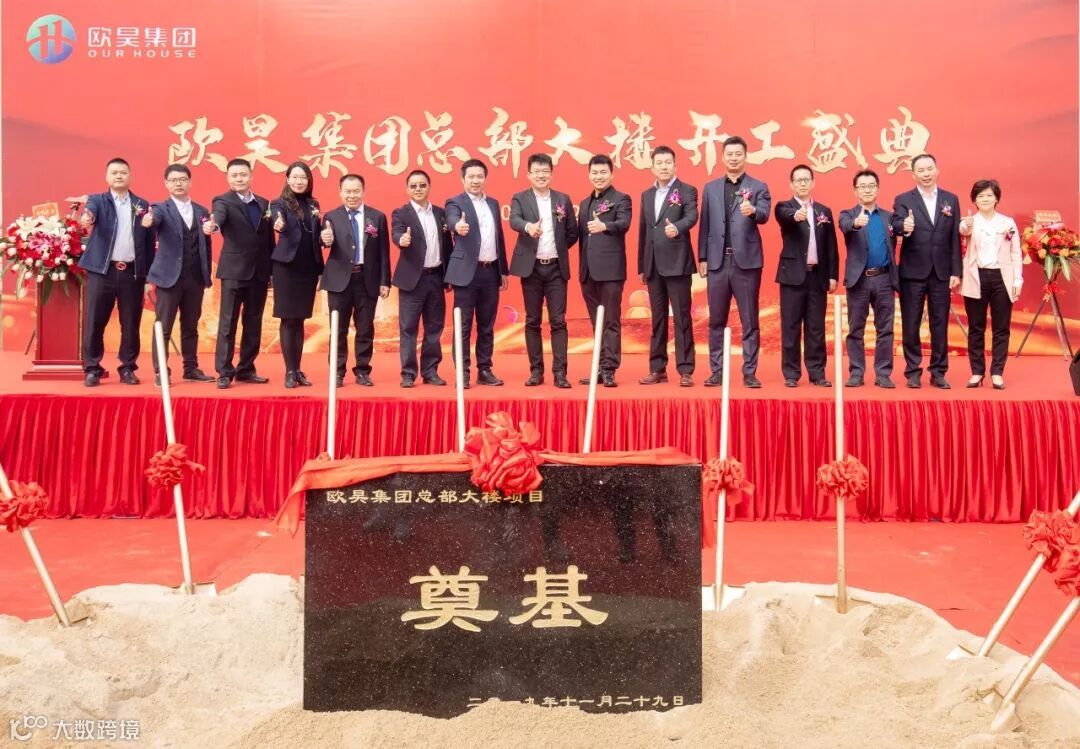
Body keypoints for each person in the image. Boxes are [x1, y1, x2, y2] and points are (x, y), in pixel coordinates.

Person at [697, 136, 771, 388]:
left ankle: (749, 372)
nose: (734, 158)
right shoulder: (711, 188)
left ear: (745, 156)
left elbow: (764, 215)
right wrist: (703, 257)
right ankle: (716, 371)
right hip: (717, 262)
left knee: (749, 320)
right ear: (723, 157)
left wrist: (754, 211)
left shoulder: (758, 186)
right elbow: (705, 224)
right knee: (716, 320)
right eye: (729, 154)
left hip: (746, 264)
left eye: (738, 154)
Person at [78, 157, 155, 387]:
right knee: (95, 322)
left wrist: (148, 275)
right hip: (102, 272)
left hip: (131, 273)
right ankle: (92, 368)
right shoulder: (97, 201)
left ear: (130, 176)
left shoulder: (141, 204)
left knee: (130, 323)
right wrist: (87, 218)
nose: (119, 176)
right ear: (107, 177)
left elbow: (149, 242)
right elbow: (89, 214)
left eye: (123, 172)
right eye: (114, 172)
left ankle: (128, 367)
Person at [890, 153, 961, 389]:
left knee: (939, 323)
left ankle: (938, 371)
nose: (926, 174)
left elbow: (954, 238)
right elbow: (896, 224)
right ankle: (913, 371)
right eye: (921, 170)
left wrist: (956, 271)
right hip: (912, 272)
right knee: (911, 323)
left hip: (941, 272)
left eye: (929, 168)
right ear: (913, 175)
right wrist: (904, 226)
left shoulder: (950, 199)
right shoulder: (903, 199)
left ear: (937, 170)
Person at [509, 153, 579, 388]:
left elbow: (572, 232)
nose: (541, 175)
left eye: (545, 171)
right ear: (529, 174)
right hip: (532, 269)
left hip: (556, 268)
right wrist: (528, 227)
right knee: (532, 321)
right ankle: (536, 371)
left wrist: (558, 248)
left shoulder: (562, 199)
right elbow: (514, 220)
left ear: (551, 173)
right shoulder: (520, 198)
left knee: (558, 321)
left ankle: (560, 372)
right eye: (536, 171)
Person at [142, 164, 213, 385]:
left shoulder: (201, 211)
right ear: (166, 183)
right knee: (163, 326)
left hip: (195, 278)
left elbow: (207, 245)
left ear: (190, 182)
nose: (178, 183)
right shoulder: (160, 208)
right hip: (169, 278)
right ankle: (161, 372)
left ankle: (191, 368)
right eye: (173, 180)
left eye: (182, 179)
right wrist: (148, 220)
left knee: (191, 326)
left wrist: (206, 274)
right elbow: (154, 219)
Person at [444, 159, 509, 388]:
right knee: (462, 325)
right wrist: (457, 226)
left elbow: (499, 237)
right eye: (471, 176)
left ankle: (485, 369)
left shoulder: (493, 203)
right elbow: (452, 219)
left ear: (485, 178)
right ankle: (462, 372)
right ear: (463, 179)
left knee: (486, 325)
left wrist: (503, 270)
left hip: (490, 272)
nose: (475, 180)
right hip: (466, 274)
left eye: (479, 176)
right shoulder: (455, 202)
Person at [637, 146, 698, 387]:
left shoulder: (687, 190)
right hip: (653, 266)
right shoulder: (646, 195)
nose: (664, 166)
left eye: (668, 162)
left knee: (682, 318)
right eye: (659, 163)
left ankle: (685, 369)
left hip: (678, 263)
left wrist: (678, 227)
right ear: (652, 167)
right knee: (658, 319)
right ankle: (657, 368)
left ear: (675, 165)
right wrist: (642, 265)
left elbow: (692, 216)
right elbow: (644, 230)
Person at [321, 174, 390, 387]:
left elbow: (383, 252)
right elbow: (325, 241)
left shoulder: (377, 217)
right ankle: (337, 372)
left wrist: (385, 281)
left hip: (367, 279)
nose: (352, 195)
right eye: (347, 191)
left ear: (363, 191)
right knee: (338, 328)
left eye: (356, 191)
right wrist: (325, 239)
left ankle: (362, 371)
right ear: (340, 192)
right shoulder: (331, 217)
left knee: (365, 328)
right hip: (339, 281)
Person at [211, 158, 274, 389]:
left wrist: (271, 271)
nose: (239, 179)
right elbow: (218, 218)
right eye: (234, 175)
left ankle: (246, 369)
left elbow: (269, 239)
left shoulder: (263, 203)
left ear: (251, 176)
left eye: (243, 175)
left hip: (259, 272)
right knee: (228, 322)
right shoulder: (222, 201)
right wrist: (213, 226)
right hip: (234, 271)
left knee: (253, 322)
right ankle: (224, 371)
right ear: (228, 177)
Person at [773, 164, 839, 387]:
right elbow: (785, 218)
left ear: (813, 183)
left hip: (817, 277)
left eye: (806, 180)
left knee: (816, 327)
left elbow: (831, 246)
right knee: (791, 327)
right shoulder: (784, 207)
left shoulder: (823, 211)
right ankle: (791, 374)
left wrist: (832, 275)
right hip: (792, 277)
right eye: (798, 180)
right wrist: (796, 215)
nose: (802, 183)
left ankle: (817, 372)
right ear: (791, 184)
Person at [959, 179, 1023, 389]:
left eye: (989, 195)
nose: (985, 199)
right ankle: (977, 372)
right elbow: (963, 230)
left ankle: (997, 372)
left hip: (1001, 278)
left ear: (996, 198)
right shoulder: (969, 222)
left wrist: (1017, 278)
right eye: (980, 196)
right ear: (974, 200)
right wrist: (966, 225)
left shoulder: (1007, 223)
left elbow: (1015, 253)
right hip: (975, 277)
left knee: (1001, 328)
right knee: (976, 328)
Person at [391, 169, 453, 388]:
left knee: (434, 328)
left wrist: (449, 276)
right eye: (414, 186)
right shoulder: (401, 213)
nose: (418, 189)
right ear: (407, 189)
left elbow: (448, 246)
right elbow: (397, 233)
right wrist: (402, 239)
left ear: (429, 187)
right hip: (412, 280)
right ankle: (408, 373)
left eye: (422, 185)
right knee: (408, 328)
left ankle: (430, 371)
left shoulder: (441, 214)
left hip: (436, 277)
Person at [839, 169, 899, 388]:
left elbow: (900, 232)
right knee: (856, 329)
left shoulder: (888, 217)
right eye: (862, 186)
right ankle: (856, 372)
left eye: (871, 185)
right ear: (855, 191)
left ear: (878, 189)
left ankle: (883, 373)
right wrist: (856, 223)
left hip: (884, 279)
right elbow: (845, 226)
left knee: (886, 329)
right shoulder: (847, 214)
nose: (867, 190)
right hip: (859, 280)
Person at [577, 154, 632, 387]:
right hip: (588, 272)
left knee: (610, 321)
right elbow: (580, 236)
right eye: (594, 172)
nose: (598, 176)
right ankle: (598, 368)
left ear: (611, 174)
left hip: (610, 271)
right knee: (596, 323)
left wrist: (604, 226)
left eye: (603, 172)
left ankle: (609, 369)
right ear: (588, 175)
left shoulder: (621, 199)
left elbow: (624, 224)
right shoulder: (584, 203)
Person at [269, 162, 324, 388]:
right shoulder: (278, 203)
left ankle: (298, 369)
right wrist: (278, 224)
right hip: (286, 268)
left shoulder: (313, 204)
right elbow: (277, 220)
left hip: (308, 268)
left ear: (309, 181)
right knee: (288, 319)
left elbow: (316, 234)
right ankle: (289, 371)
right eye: (295, 177)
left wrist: (326, 236)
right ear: (288, 179)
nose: (299, 181)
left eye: (303, 177)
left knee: (300, 319)